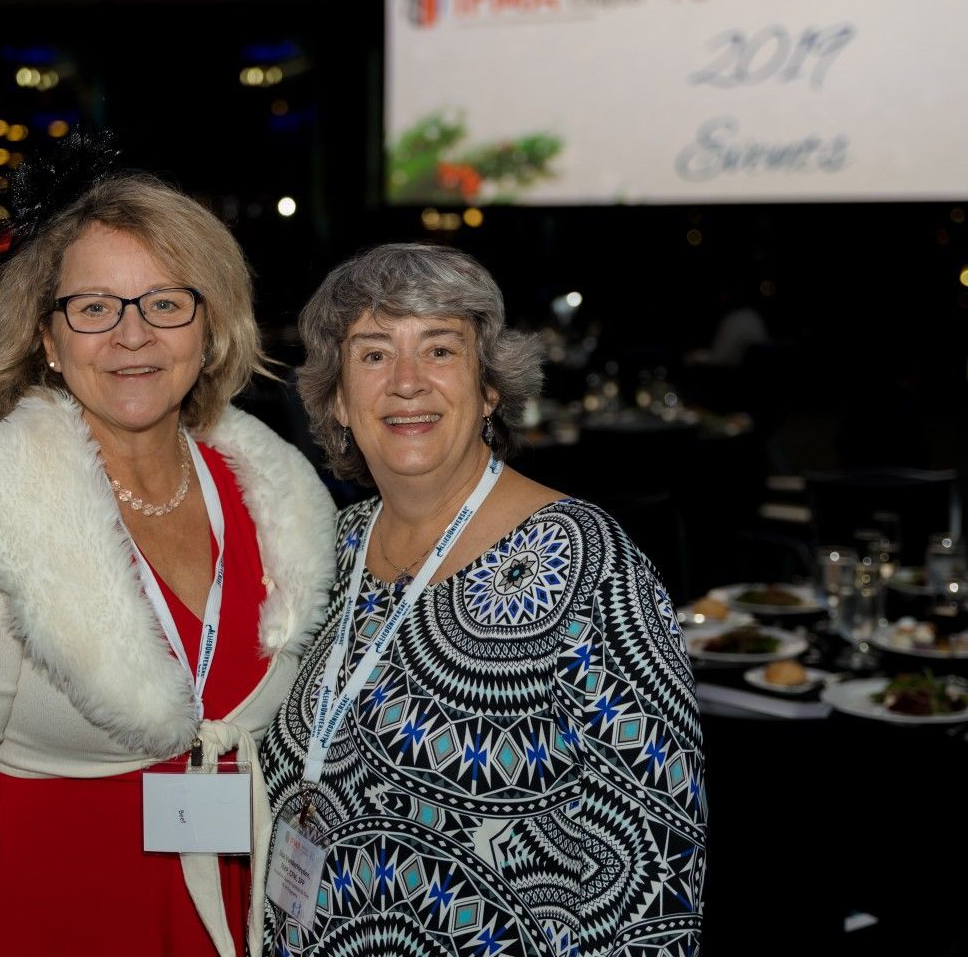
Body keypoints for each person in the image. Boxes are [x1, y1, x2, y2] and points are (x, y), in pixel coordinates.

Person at [0, 144, 337, 957]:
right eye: (94, 307)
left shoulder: (275, 498)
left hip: (238, 923)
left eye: (165, 303)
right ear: (48, 338)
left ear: (209, 328)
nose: (132, 335)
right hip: (57, 928)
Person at [260, 244, 707, 956]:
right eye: (373, 355)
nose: (407, 382)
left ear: (490, 388)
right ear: (338, 398)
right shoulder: (324, 550)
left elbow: (656, 878)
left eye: (439, 350)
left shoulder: (588, 565)